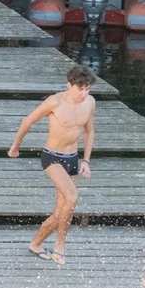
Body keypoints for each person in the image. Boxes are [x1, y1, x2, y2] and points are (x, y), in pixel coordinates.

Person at [7, 66, 97, 266]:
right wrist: (15, 147)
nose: (84, 93)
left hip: (73, 158)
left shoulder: (90, 102)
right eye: (80, 89)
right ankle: (60, 245)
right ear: (69, 85)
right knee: (72, 197)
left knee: (62, 212)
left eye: (87, 89)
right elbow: (27, 121)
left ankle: (36, 244)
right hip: (52, 157)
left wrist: (86, 161)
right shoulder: (54, 102)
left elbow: (89, 132)